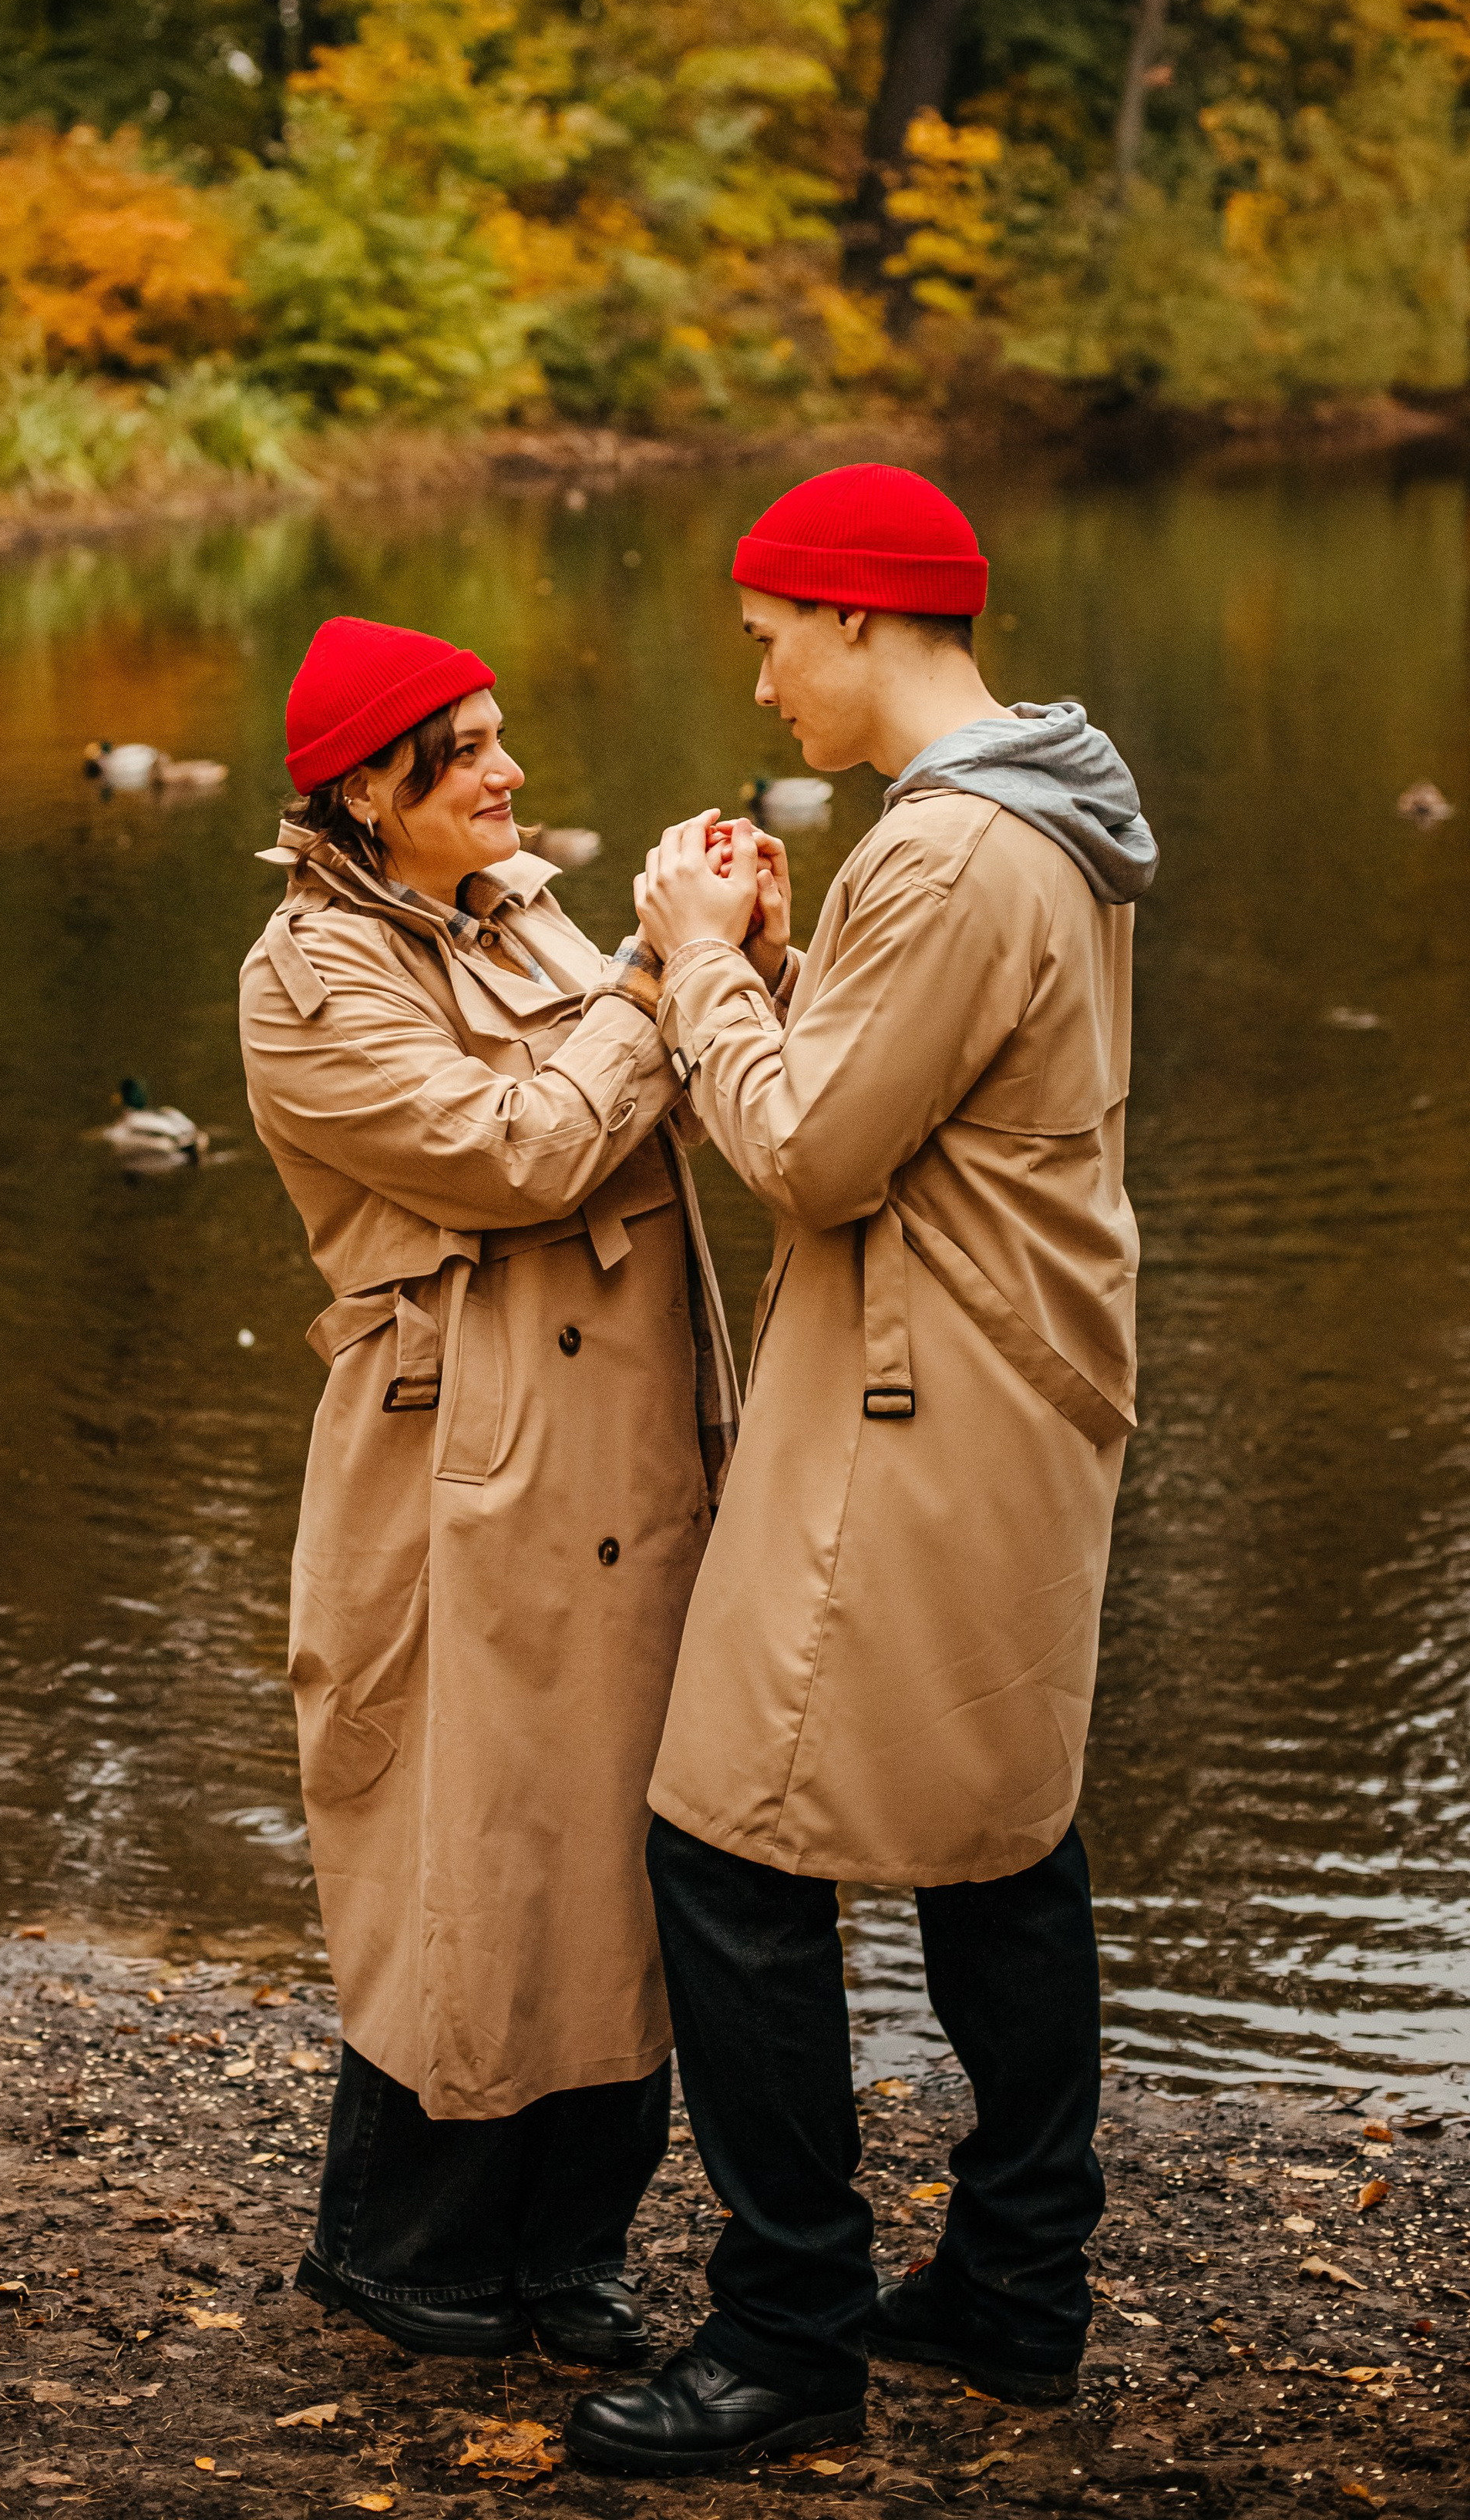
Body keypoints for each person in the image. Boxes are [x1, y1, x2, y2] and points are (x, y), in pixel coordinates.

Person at [567, 463, 1158, 2477]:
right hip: (1007, 1392)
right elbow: (909, 1104)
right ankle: (1015, 2286)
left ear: (858, 617)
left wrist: (697, 954)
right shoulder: (1038, 822)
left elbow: (811, 1158)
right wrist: (800, 952)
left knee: (724, 1842)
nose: (762, 682)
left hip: (919, 1418)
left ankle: (790, 2326)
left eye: (767, 637)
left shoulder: (958, 851)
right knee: (1002, 1834)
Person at [237, 614, 753, 2368]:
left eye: (498, 736)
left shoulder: (517, 898)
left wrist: (726, 955)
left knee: (625, 1847)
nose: (506, 771)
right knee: (469, 1844)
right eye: (463, 752)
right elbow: (508, 1152)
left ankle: (567, 2254)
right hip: (464, 1461)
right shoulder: (305, 975)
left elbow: (640, 1107)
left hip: (635, 1443)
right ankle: (408, 2252)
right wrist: (644, 991)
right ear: (375, 793)